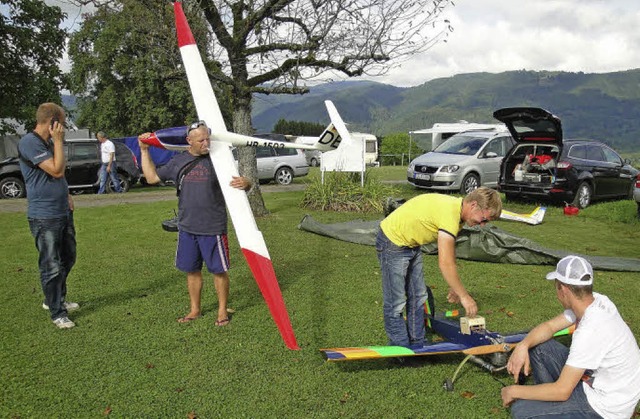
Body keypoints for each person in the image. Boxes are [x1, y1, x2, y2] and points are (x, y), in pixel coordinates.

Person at [137, 121, 251, 326]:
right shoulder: (178, 161)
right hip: (187, 227)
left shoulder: (219, 160)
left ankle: (222, 311)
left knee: (218, 271)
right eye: (201, 140)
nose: (206, 143)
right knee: (192, 270)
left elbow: (242, 182)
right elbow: (152, 177)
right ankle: (195, 310)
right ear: (189, 141)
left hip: (213, 226)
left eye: (207, 138)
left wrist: (246, 183)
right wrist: (144, 150)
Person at [501, 255, 640, 418]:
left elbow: (562, 391)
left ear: (563, 288)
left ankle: (553, 404)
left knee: (522, 411)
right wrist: (523, 345)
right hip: (604, 384)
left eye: (556, 285)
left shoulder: (590, 330)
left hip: (607, 407)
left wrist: (513, 390)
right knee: (539, 347)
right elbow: (549, 327)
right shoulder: (597, 301)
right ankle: (550, 402)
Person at [376, 187, 502, 347]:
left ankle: (418, 344)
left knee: (419, 297)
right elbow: (445, 263)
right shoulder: (450, 214)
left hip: (411, 244)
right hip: (392, 241)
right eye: (484, 219)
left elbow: (449, 251)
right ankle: (401, 350)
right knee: (396, 302)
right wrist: (464, 296)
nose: (483, 225)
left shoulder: (459, 212)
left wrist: (454, 286)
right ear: (474, 205)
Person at [18, 103, 79, 329]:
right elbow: (56, 169)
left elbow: (58, 176)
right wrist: (60, 142)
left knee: (68, 257)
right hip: (44, 216)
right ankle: (57, 312)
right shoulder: (29, 142)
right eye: (62, 123)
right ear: (53, 122)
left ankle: (54, 298)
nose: (63, 128)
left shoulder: (50, 142)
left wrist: (68, 194)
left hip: (62, 210)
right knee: (51, 264)